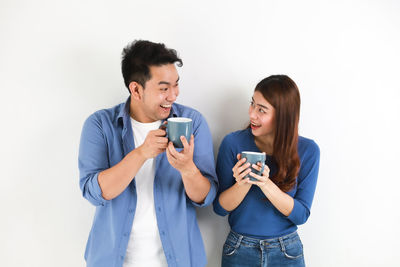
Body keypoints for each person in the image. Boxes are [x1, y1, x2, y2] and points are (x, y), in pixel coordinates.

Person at [78, 40, 218, 267]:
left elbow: (205, 197)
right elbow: (95, 192)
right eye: (164, 88)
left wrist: (188, 169)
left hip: (179, 260)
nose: (173, 95)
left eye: (176, 85)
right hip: (113, 260)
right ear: (136, 89)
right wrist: (142, 153)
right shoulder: (100, 125)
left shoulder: (193, 122)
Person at [213, 75, 320, 267]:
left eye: (261, 110)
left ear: (283, 116)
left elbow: (301, 215)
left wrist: (265, 184)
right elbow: (220, 208)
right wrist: (243, 183)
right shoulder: (233, 143)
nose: (252, 114)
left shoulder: (308, 150)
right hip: (239, 249)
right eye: (252, 104)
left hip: (286, 252)